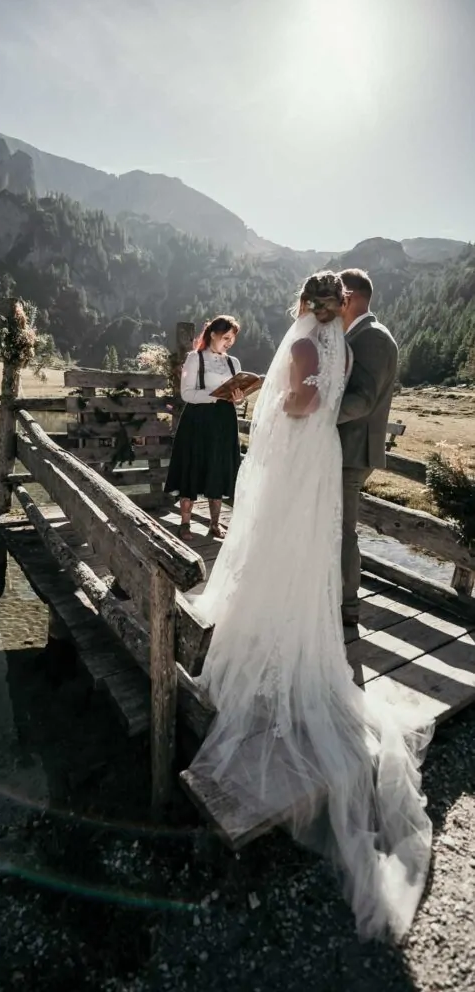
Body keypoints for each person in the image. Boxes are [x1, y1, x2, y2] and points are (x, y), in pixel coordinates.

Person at [191, 271, 432, 942]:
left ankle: (271, 638)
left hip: (304, 457)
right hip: (321, 459)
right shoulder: (343, 346)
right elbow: (327, 398)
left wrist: (274, 397)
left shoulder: (305, 346)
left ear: (306, 303)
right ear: (339, 305)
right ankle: (304, 630)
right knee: (308, 552)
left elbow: (299, 407)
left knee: (284, 545)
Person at [337, 268, 398, 628]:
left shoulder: (372, 337)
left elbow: (360, 401)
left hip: (353, 450)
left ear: (352, 296)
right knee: (335, 525)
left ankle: (348, 605)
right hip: (346, 447)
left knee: (343, 529)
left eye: (339, 297)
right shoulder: (358, 334)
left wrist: (316, 417)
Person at [164, 315, 247, 541]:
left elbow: (236, 395)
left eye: (233, 339)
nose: (230, 342)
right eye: (226, 337)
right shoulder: (194, 359)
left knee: (218, 467)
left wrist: (238, 399)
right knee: (192, 464)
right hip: (198, 419)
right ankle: (184, 524)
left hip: (224, 420)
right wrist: (214, 396)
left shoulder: (234, 363)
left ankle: (215, 524)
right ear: (213, 334)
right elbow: (186, 394)